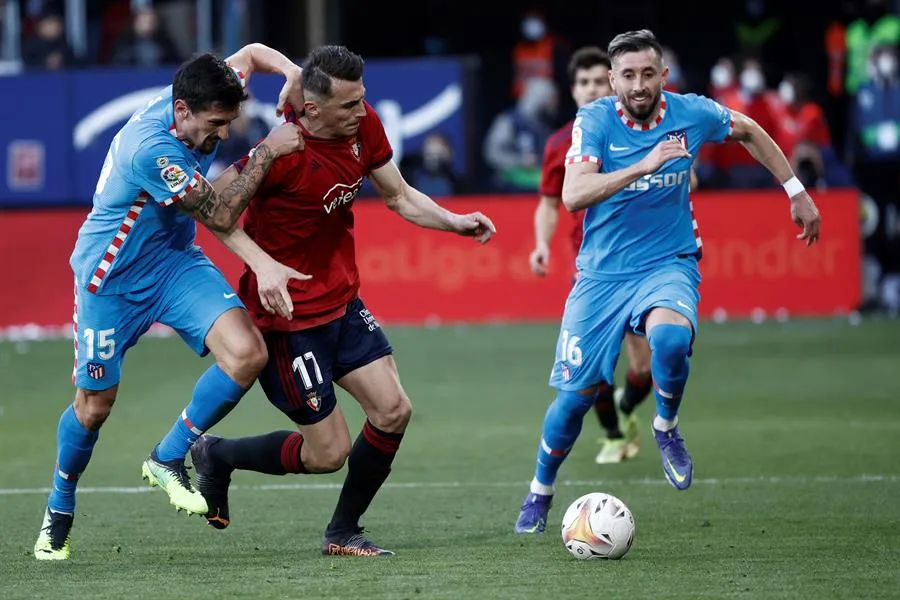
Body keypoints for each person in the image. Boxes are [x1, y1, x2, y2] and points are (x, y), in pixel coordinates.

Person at [187, 45, 496, 557]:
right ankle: (218, 454)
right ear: (312, 109)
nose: (362, 112)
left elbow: (397, 195)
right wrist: (264, 159)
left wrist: (455, 223)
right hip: (287, 321)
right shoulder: (283, 151)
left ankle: (342, 532)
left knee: (394, 410)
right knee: (328, 453)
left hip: (342, 302)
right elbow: (215, 208)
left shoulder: (362, 124)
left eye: (362, 101)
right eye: (349, 106)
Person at [515, 29, 820, 534]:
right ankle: (540, 489)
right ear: (612, 80)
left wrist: (795, 190)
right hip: (602, 275)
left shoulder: (691, 113)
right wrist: (645, 164)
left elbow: (748, 130)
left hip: (668, 261)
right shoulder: (592, 121)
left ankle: (665, 426)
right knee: (575, 400)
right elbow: (573, 195)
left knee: (672, 339)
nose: (638, 85)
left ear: (663, 75)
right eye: (627, 76)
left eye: (647, 74)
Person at [34, 44, 308, 561]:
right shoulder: (151, 150)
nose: (223, 133)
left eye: (229, 121)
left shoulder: (204, 87)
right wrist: (268, 152)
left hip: (172, 262)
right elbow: (220, 215)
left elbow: (250, 53)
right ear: (182, 112)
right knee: (94, 408)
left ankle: (169, 455)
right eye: (216, 123)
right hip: (109, 278)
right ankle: (59, 506)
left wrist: (291, 73)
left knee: (247, 353)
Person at [528, 46, 654, 466]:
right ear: (573, 89)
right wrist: (542, 244)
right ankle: (615, 435)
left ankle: (626, 406)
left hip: (641, 261)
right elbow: (549, 203)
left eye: (600, 80)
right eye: (584, 82)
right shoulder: (559, 143)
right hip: (593, 269)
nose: (592, 89)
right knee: (594, 365)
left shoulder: (642, 130)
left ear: (615, 83)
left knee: (645, 368)